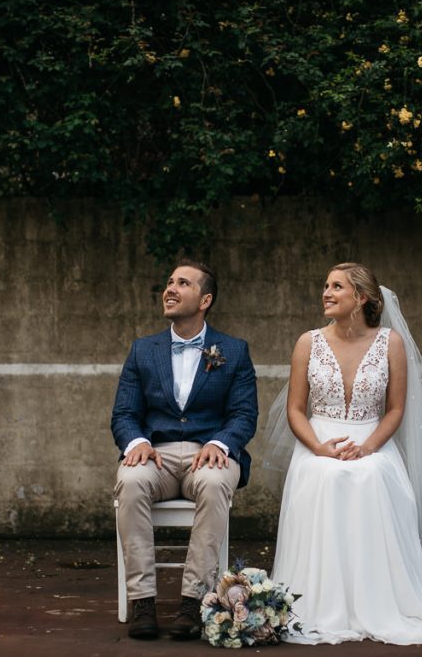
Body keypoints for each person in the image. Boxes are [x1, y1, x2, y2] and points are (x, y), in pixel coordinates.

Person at [261, 262, 422, 645]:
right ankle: (319, 600)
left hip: (372, 441)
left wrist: (369, 446)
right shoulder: (308, 342)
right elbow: (294, 410)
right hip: (319, 441)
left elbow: (396, 410)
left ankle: (378, 599)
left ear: (361, 298)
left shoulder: (391, 342)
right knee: (323, 475)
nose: (326, 293)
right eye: (325, 285)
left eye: (336, 287)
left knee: (372, 475)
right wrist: (319, 448)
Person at [111, 259, 258, 640]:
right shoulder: (143, 350)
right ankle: (143, 602)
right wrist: (138, 443)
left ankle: (195, 603)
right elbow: (124, 413)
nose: (170, 288)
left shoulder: (234, 350)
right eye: (169, 281)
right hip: (155, 455)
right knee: (129, 480)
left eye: (183, 283)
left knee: (213, 484)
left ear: (205, 299)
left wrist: (219, 443)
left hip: (209, 452)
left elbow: (244, 414)